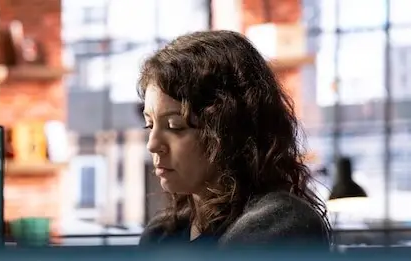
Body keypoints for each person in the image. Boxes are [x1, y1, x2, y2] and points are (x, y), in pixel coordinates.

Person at [138, 30, 331, 247]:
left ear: (228, 128)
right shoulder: (160, 234)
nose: (152, 145)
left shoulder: (282, 223)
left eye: (175, 126)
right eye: (150, 124)